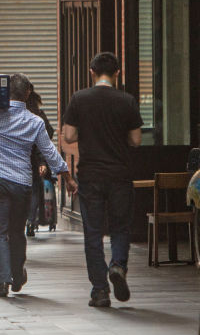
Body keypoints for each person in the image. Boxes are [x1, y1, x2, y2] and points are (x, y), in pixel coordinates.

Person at [0, 71, 75, 297]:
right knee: (17, 232)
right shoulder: (35, 121)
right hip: (21, 184)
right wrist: (67, 177)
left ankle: (2, 280)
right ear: (28, 93)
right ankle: (17, 274)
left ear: (5, 92)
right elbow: (49, 152)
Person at [61, 52, 143, 308]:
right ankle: (118, 265)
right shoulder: (127, 101)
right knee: (120, 227)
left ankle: (99, 290)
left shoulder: (79, 99)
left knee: (93, 233)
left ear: (92, 72)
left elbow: (69, 136)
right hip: (119, 174)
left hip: (91, 175)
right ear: (117, 74)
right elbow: (136, 140)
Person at [25, 90, 56, 238]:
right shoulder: (38, 115)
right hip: (34, 161)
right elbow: (49, 132)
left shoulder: (13, 114)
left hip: (17, 162)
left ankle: (19, 222)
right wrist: (43, 161)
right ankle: (30, 221)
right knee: (34, 190)